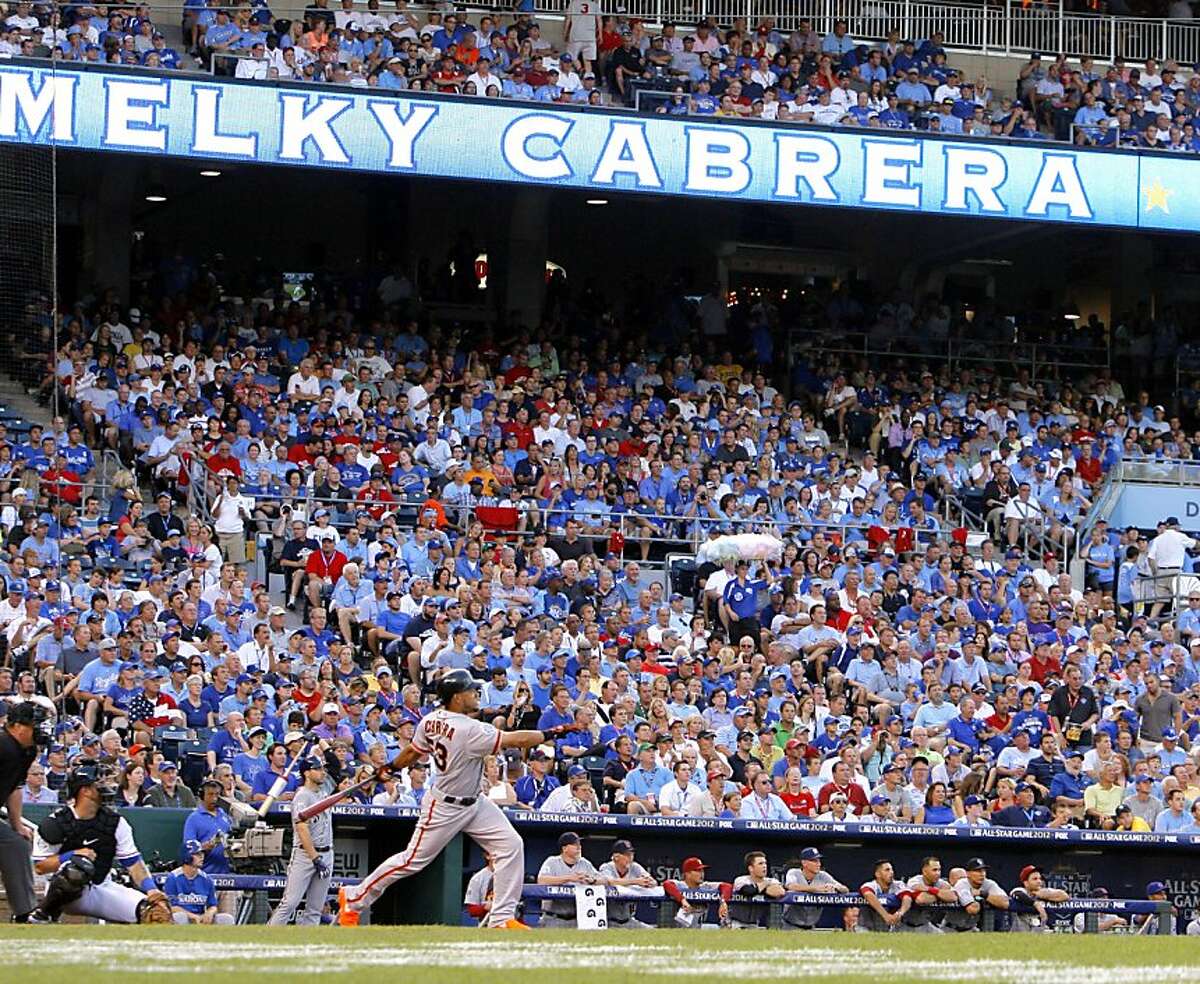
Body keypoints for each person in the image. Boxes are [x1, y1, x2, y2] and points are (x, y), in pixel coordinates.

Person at [338, 669, 576, 929]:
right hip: (444, 806)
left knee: (510, 845)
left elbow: (412, 751)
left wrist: (390, 767)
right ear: (456, 697)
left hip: (474, 801)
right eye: (470, 690)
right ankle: (354, 897)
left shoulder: (430, 720)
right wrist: (553, 732)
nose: (475, 693)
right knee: (410, 861)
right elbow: (514, 739)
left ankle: (500, 919)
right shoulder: (469, 729)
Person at [29, 769, 171, 923]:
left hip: (100, 885)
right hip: (62, 891)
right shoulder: (56, 823)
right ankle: (44, 914)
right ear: (85, 791)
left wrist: (152, 890)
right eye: (100, 783)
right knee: (77, 867)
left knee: (155, 913)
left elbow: (133, 862)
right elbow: (40, 867)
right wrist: (73, 855)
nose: (108, 787)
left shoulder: (115, 822)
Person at [268, 755, 334, 925]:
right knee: (290, 902)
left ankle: (306, 945)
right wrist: (315, 858)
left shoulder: (324, 791)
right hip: (306, 855)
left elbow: (335, 765)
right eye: (317, 769)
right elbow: (302, 828)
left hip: (327, 852)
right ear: (306, 773)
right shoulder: (302, 796)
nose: (322, 772)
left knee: (315, 908)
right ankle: (266, 936)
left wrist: (322, 743)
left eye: (322, 768)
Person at [0, 701, 47, 921]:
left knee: (17, 844)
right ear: (18, 726)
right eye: (35, 725)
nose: (40, 730)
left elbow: (15, 787)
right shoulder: (3, 745)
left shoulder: (25, 750)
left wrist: (17, 824)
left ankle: (25, 912)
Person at [536, 830, 605, 928]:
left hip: (578, 919)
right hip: (553, 917)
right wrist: (570, 878)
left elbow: (604, 881)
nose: (579, 847)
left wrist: (593, 880)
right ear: (564, 848)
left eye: (579, 844)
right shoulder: (552, 861)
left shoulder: (585, 863)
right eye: (575, 844)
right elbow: (542, 880)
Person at [164, 839, 234, 924]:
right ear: (187, 856)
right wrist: (193, 916)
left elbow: (213, 905)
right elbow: (172, 907)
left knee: (226, 919)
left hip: (201, 918)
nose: (202, 856)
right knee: (180, 917)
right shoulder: (173, 878)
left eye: (202, 853)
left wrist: (209, 913)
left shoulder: (206, 879)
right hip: (185, 918)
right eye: (197, 854)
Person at [782, 847, 847, 929]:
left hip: (811, 926)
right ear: (804, 863)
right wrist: (817, 889)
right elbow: (791, 886)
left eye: (819, 861)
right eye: (814, 861)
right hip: (790, 924)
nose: (819, 864)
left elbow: (845, 889)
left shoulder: (823, 875)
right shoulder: (794, 872)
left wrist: (835, 887)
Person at [597, 839, 657, 929]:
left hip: (629, 920)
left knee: (653, 932)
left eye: (632, 854)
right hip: (609, 922)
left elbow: (653, 882)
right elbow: (610, 881)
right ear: (616, 857)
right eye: (627, 855)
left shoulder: (635, 867)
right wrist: (635, 882)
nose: (631, 858)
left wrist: (648, 882)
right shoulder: (606, 867)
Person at [945, 857, 1009, 931]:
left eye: (983, 871)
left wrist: (982, 894)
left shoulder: (989, 884)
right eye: (978, 871)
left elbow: (1005, 903)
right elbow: (973, 909)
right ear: (968, 873)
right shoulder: (961, 884)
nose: (982, 874)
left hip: (971, 929)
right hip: (951, 928)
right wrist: (985, 900)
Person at [728, 850, 785, 928]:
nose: (764, 866)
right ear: (751, 868)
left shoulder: (771, 880)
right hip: (735, 922)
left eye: (765, 863)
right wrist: (765, 885)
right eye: (760, 864)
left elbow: (780, 892)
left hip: (754, 924)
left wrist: (761, 889)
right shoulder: (741, 880)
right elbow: (748, 891)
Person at [1008, 863, 1068, 932]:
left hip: (1039, 935)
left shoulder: (1044, 892)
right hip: (1019, 935)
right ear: (1026, 883)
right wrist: (1036, 904)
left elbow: (1065, 896)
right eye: (1035, 879)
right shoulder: (1021, 891)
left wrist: (1044, 895)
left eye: (1040, 878)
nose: (1039, 881)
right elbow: (1017, 894)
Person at [859, 858, 911, 931]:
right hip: (866, 927)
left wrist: (900, 913)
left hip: (887, 928)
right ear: (878, 874)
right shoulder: (870, 885)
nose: (891, 872)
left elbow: (907, 898)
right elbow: (868, 894)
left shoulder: (899, 884)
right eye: (887, 870)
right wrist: (885, 916)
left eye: (892, 869)